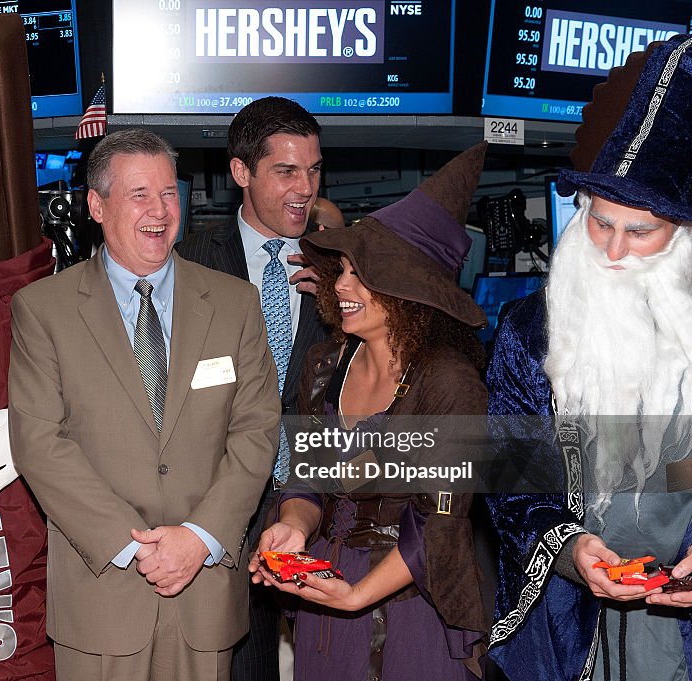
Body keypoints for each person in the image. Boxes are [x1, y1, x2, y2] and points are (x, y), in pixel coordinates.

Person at [9, 128, 281, 681]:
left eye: (168, 193)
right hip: (101, 594)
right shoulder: (44, 311)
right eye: (139, 195)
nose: (159, 211)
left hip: (203, 593)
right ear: (96, 205)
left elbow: (256, 429)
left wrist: (198, 538)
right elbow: (39, 443)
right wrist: (134, 547)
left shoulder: (234, 304)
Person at [486, 34, 692, 681]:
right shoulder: (530, 334)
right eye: (601, 221)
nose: (612, 248)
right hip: (575, 630)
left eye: (639, 231)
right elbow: (514, 483)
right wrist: (575, 550)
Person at [252, 143, 490, 680]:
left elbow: (440, 522)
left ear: (410, 291)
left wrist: (359, 594)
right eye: (342, 271)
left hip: (412, 605)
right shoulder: (325, 364)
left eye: (361, 274)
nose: (340, 286)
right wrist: (291, 526)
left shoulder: (449, 383)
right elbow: (308, 480)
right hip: (326, 599)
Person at [175, 96, 330, 681]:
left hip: (323, 504)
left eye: (314, 170)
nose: (305, 188)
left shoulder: (345, 268)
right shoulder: (188, 266)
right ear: (241, 172)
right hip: (226, 509)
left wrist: (343, 308)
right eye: (286, 171)